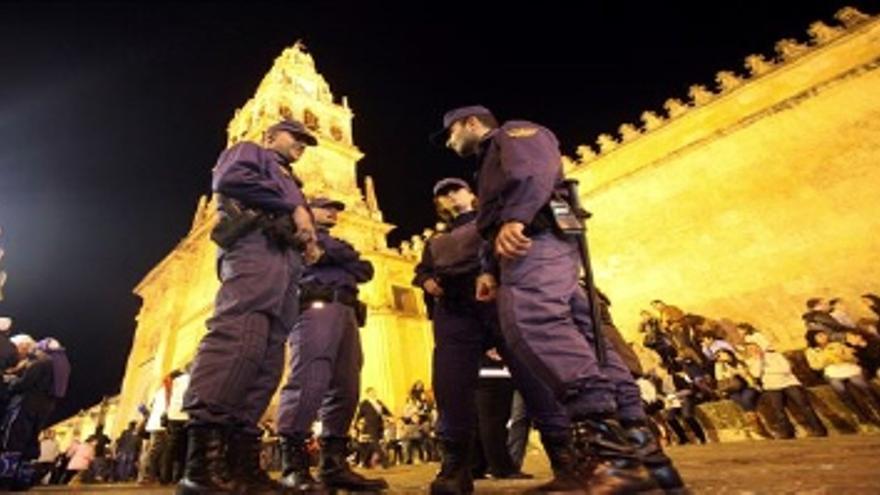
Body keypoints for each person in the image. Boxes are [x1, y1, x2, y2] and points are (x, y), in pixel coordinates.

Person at [435, 106, 684, 494]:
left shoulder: (513, 134)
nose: (449, 143)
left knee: (533, 321)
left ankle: (611, 459)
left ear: (471, 123)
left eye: (450, 133)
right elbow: (490, 222)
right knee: (589, 339)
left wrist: (516, 218)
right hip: (531, 247)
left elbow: (535, 172)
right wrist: (488, 268)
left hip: (533, 242)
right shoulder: (485, 165)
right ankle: (644, 455)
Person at [177, 119, 320, 495]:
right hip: (255, 248)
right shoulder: (250, 152)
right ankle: (202, 467)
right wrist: (295, 207)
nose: (302, 145)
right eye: (297, 137)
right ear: (270, 135)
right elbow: (230, 180)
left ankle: (241, 461)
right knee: (240, 335)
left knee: (269, 354)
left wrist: (306, 237)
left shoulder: (292, 179)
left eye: (307, 141)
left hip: (286, 261)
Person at [276, 197, 388, 493]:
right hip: (317, 307)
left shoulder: (332, 242)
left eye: (337, 209)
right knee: (308, 378)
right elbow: (347, 261)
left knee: (347, 385)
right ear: (307, 211)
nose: (333, 212)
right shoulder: (297, 232)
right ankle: (293, 466)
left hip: (348, 312)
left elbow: (366, 270)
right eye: (326, 207)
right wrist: (345, 256)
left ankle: (333, 464)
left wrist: (336, 254)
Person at [743, 343, 827, 438]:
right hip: (771, 386)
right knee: (778, 409)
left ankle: (819, 429)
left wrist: (769, 371)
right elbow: (756, 374)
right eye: (750, 349)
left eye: (755, 348)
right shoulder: (750, 362)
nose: (754, 350)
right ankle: (788, 432)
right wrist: (759, 361)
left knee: (804, 405)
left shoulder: (775, 355)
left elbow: (786, 368)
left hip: (789, 382)